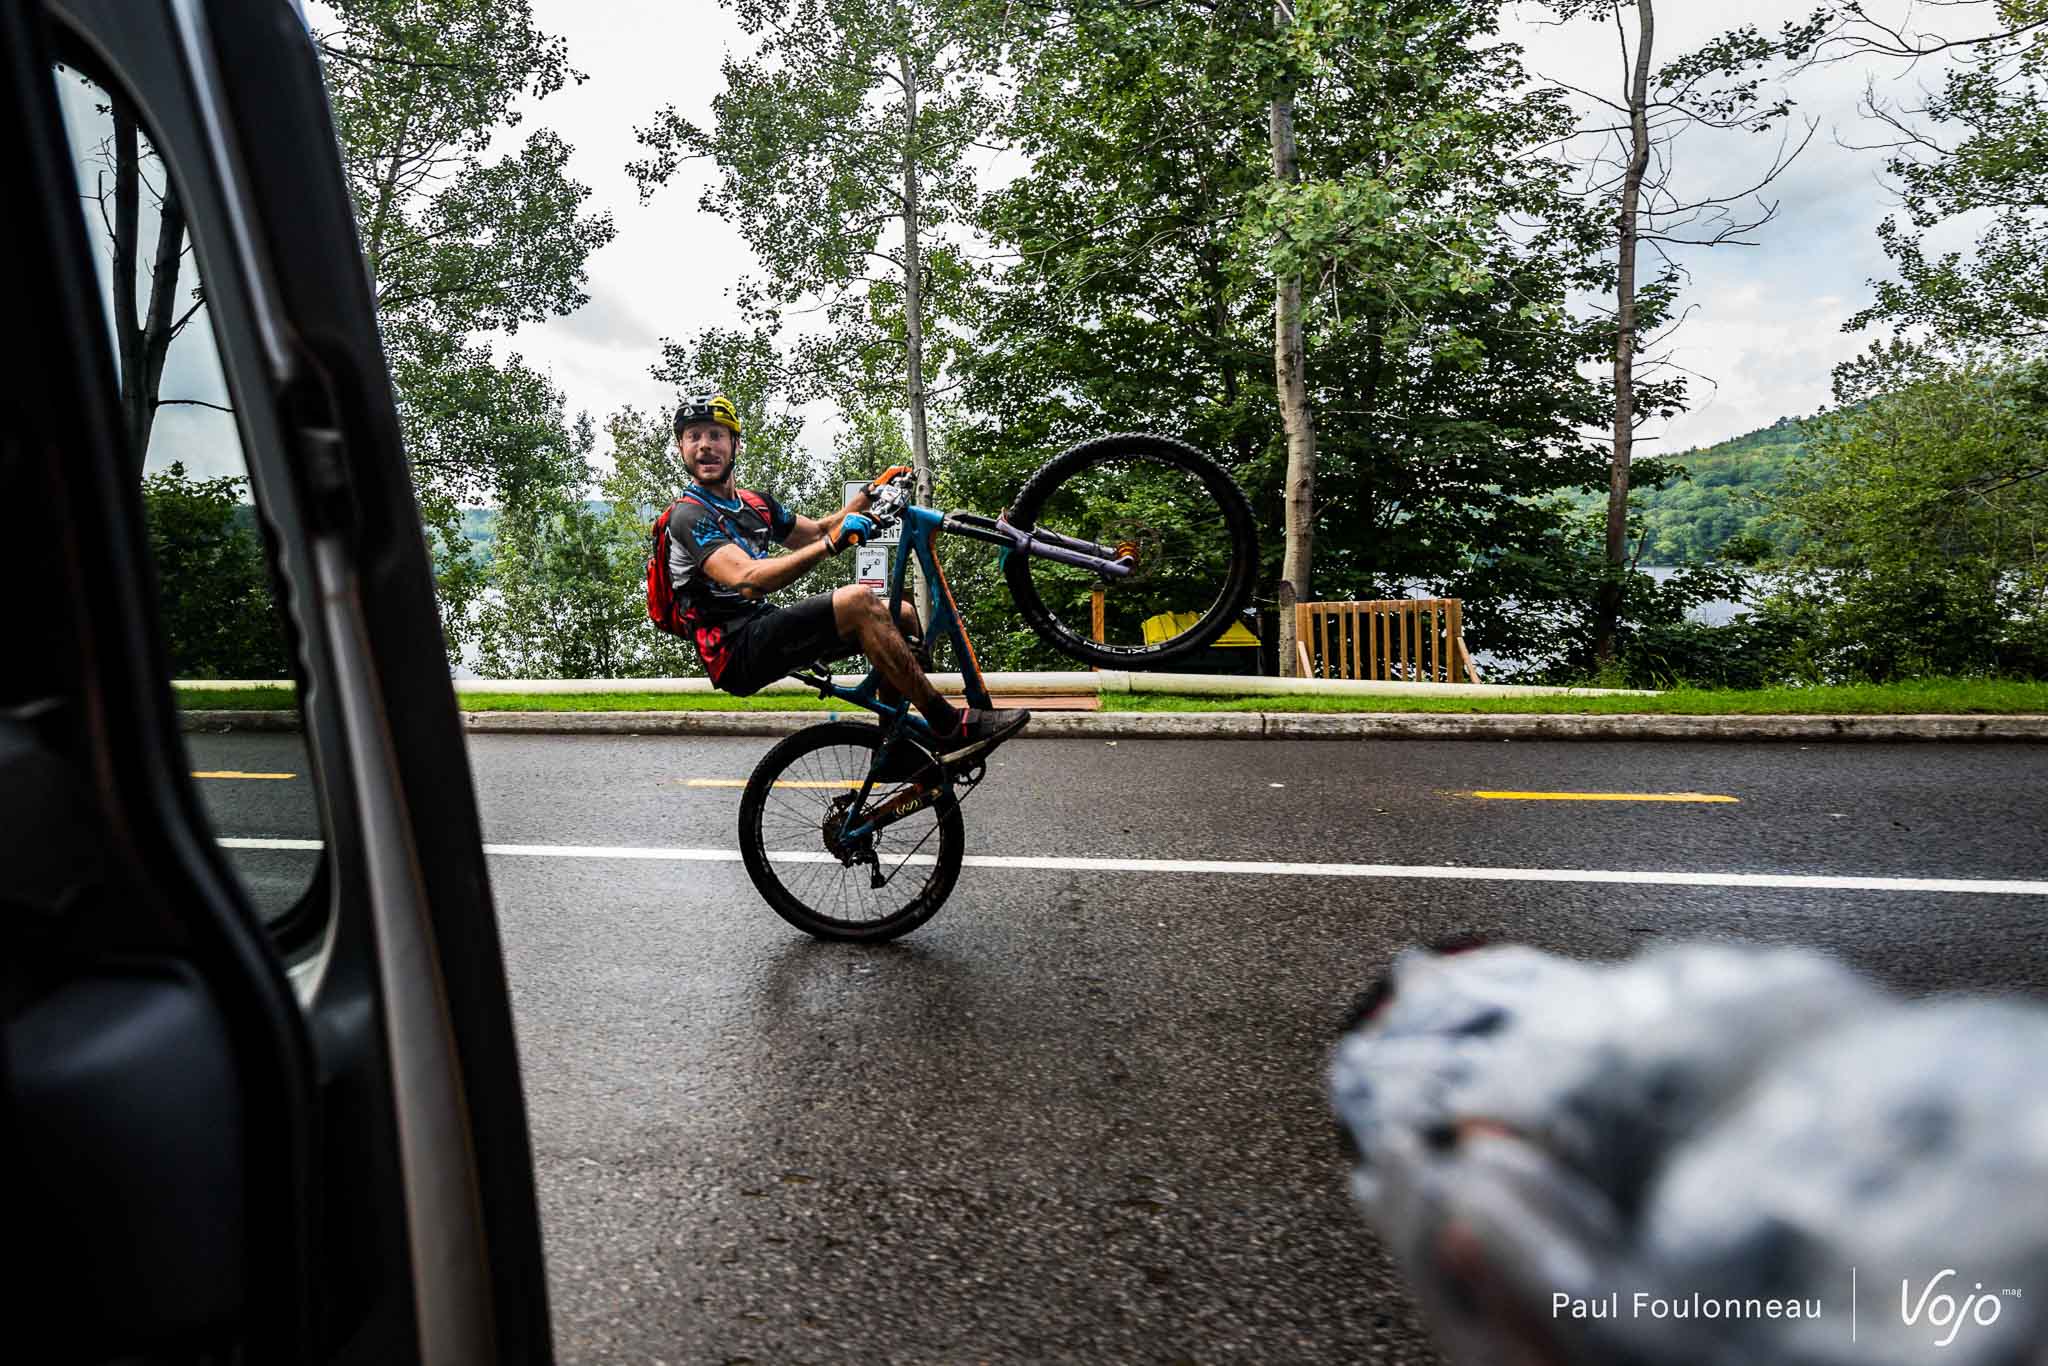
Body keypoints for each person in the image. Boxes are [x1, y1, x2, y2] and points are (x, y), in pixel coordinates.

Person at [661, 389, 1029, 763]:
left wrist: (870, 492)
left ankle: (893, 751)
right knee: (858, 602)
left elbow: (818, 531)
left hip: (762, 627)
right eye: (694, 436)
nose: (704, 445)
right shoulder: (689, 516)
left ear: (735, 444)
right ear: (681, 447)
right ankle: (948, 725)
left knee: (901, 614)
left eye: (716, 435)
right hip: (733, 652)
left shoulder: (756, 505)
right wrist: (832, 545)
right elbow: (750, 579)